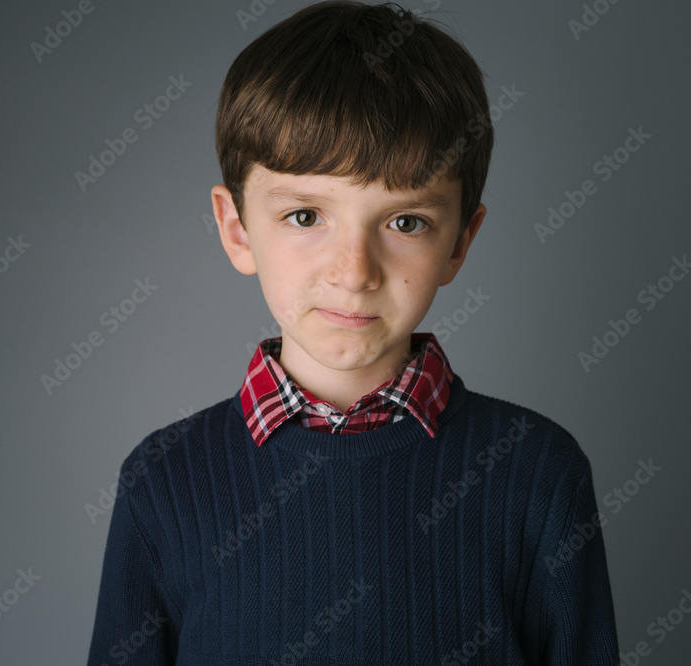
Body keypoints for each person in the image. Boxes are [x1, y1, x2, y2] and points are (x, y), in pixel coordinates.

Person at [86, 2, 618, 663]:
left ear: (459, 244)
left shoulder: (540, 472)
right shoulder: (163, 481)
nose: (354, 271)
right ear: (236, 228)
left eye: (405, 223)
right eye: (306, 216)